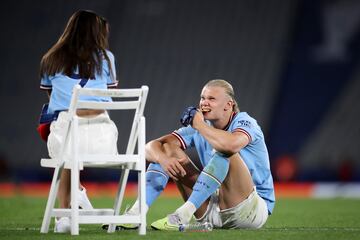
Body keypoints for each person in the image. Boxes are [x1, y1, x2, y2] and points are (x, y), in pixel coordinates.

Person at [122, 79, 275, 230]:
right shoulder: (200, 127)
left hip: (250, 210)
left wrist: (199, 125)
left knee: (226, 151)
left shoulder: (245, 122)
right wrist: (163, 159)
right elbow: (150, 147)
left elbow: (231, 145)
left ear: (229, 105)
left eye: (211, 99)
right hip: (210, 209)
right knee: (168, 149)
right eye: (203, 98)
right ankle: (137, 212)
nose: (204, 103)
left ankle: (181, 216)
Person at [39, 10, 118, 233]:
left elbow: (55, 100)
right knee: (72, 145)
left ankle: (65, 212)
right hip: (104, 140)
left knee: (67, 144)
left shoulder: (50, 59)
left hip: (66, 136)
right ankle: (78, 195)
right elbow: (111, 97)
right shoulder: (106, 58)